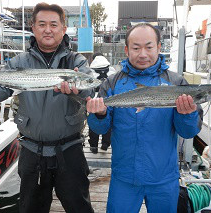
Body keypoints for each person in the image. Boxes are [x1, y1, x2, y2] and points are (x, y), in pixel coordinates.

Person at [0, 3, 94, 213]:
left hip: (70, 150)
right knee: (31, 209)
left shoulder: (76, 61)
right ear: (33, 28)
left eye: (54, 24)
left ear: (63, 29)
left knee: (80, 207)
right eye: (42, 24)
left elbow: (88, 90)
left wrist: (76, 90)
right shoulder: (19, 61)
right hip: (32, 151)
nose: (48, 29)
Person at [86, 23, 203, 213]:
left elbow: (188, 131)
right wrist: (99, 114)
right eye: (136, 48)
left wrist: (187, 114)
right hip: (124, 177)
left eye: (149, 47)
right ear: (126, 50)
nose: (142, 54)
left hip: (163, 178)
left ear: (159, 47)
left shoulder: (177, 83)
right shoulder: (112, 83)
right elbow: (100, 129)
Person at [88, 53, 115, 154]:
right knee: (107, 122)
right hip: (108, 101)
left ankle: (93, 145)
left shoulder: (90, 71)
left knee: (93, 123)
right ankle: (105, 144)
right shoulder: (111, 70)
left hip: (94, 101)